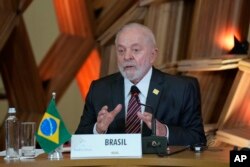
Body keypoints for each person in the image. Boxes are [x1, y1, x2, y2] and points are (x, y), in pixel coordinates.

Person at [75, 22, 207, 146]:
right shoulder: (99, 89)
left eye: (135, 50)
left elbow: (198, 139)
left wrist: (165, 132)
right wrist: (98, 130)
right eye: (121, 51)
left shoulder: (181, 88)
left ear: (153, 55)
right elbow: (78, 141)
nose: (127, 57)